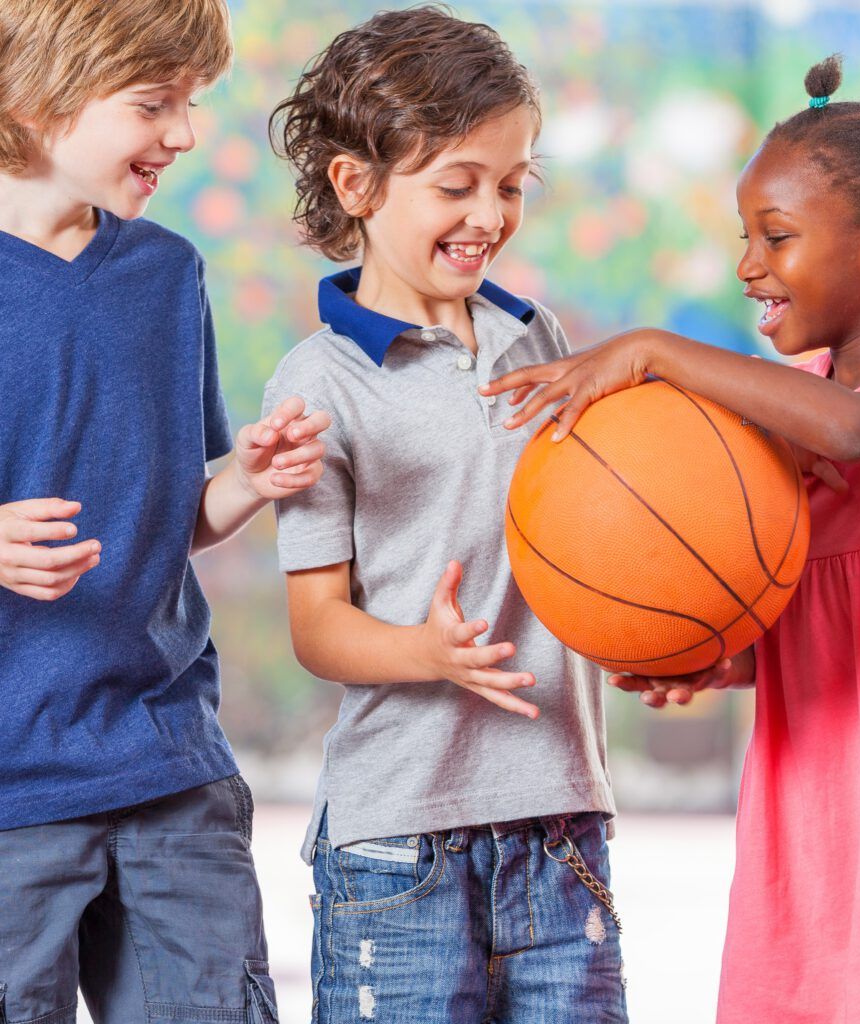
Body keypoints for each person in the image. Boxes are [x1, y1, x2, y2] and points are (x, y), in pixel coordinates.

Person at [483, 54, 860, 1024]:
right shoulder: (777, 430)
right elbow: (797, 604)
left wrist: (654, 349)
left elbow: (854, 430)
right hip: (812, 788)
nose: (746, 266)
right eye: (745, 238)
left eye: (775, 237)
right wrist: (712, 651)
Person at [265, 8, 625, 1022]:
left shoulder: (535, 336)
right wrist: (428, 652)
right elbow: (316, 627)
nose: (489, 213)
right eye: (456, 184)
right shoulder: (316, 382)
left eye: (511, 185)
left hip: (561, 826)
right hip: (398, 842)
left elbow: (600, 531)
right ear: (356, 185)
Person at [0, 2, 329, 1021]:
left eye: (190, 104)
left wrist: (245, 483)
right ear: (33, 91)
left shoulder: (165, 272)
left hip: (166, 766)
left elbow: (166, 512)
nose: (184, 133)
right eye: (155, 103)